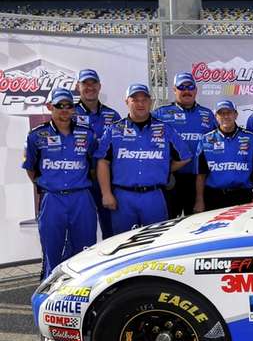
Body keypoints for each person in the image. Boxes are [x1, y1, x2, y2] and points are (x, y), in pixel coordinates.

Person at [95, 84, 192, 235]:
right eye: (135, 100)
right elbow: (102, 162)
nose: (140, 104)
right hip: (123, 197)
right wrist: (106, 194)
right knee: (123, 244)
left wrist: (163, 169)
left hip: (154, 196)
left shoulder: (165, 129)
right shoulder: (114, 130)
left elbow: (185, 157)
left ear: (150, 101)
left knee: (155, 243)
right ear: (126, 102)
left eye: (144, 99)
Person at [22, 88, 98, 279]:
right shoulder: (36, 136)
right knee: (52, 250)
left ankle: (83, 291)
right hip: (52, 199)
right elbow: (30, 168)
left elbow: (95, 167)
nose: (64, 110)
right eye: (59, 106)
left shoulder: (87, 135)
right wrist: (48, 185)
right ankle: (50, 292)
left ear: (74, 109)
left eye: (68, 106)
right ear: (50, 107)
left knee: (85, 250)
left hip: (81, 198)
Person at [153, 72, 217, 218]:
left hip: (198, 179)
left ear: (196, 90)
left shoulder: (207, 114)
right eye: (182, 87)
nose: (186, 91)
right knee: (168, 224)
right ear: (174, 90)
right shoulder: (160, 114)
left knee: (196, 223)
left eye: (190, 86)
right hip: (171, 178)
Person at [73, 68, 121, 238]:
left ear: (100, 86)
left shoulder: (112, 115)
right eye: (85, 84)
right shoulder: (68, 113)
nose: (90, 87)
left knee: (111, 229)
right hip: (79, 181)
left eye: (93, 84)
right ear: (78, 86)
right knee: (82, 230)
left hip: (107, 180)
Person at [193, 100, 253, 212]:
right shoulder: (206, 139)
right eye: (221, 113)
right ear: (216, 116)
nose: (225, 116)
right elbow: (200, 175)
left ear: (236, 114)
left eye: (229, 112)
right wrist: (199, 200)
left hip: (242, 196)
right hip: (214, 196)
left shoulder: (250, 138)